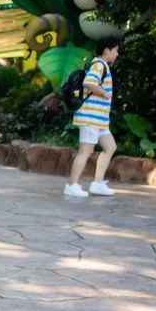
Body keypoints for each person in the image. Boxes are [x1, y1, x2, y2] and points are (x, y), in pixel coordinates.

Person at [66, 36, 120, 197]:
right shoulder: (99, 65)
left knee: (110, 147)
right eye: (115, 51)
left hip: (100, 120)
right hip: (91, 117)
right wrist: (103, 93)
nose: (117, 54)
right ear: (107, 51)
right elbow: (89, 83)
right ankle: (72, 185)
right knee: (86, 151)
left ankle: (97, 184)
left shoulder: (101, 65)